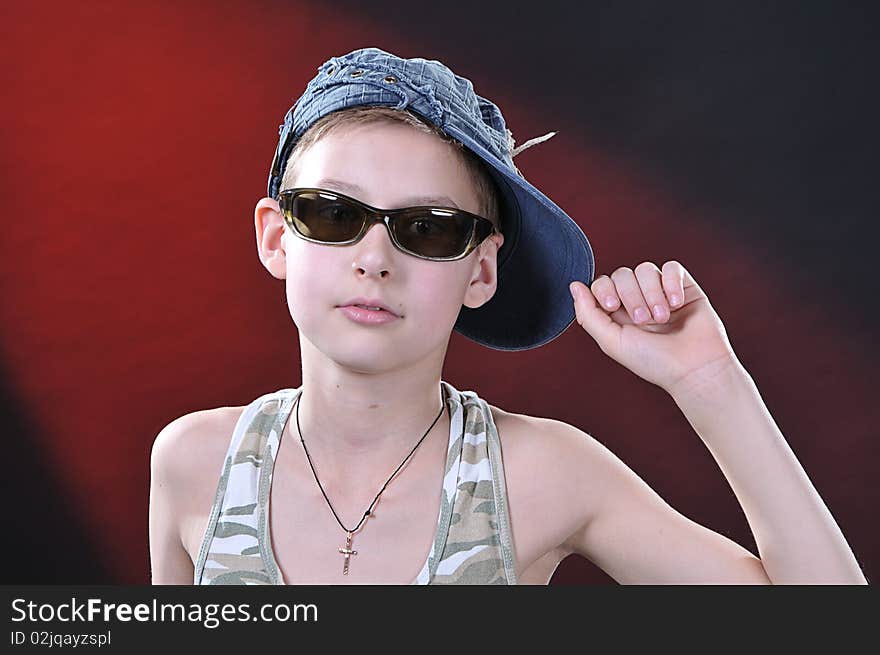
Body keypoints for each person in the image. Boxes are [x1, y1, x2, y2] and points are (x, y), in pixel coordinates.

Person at [148, 47, 867, 585]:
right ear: (278, 236)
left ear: (481, 268)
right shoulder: (192, 463)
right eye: (333, 214)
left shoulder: (543, 472)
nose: (374, 259)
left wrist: (712, 382)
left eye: (428, 228)